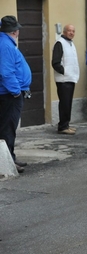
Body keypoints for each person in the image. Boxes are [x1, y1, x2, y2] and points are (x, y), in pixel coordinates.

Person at [0, 15, 31, 173]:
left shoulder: (6, 43)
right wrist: (16, 92)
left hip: (8, 93)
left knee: (8, 127)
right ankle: (8, 162)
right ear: (14, 31)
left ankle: (10, 156)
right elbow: (6, 72)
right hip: (9, 95)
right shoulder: (5, 44)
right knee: (7, 128)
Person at [52, 24, 80, 135]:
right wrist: (65, 72)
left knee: (68, 103)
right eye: (69, 31)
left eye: (73, 31)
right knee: (64, 103)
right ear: (64, 31)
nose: (71, 33)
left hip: (70, 78)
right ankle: (63, 126)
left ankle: (66, 124)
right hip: (64, 79)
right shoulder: (60, 43)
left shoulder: (70, 44)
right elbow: (55, 62)